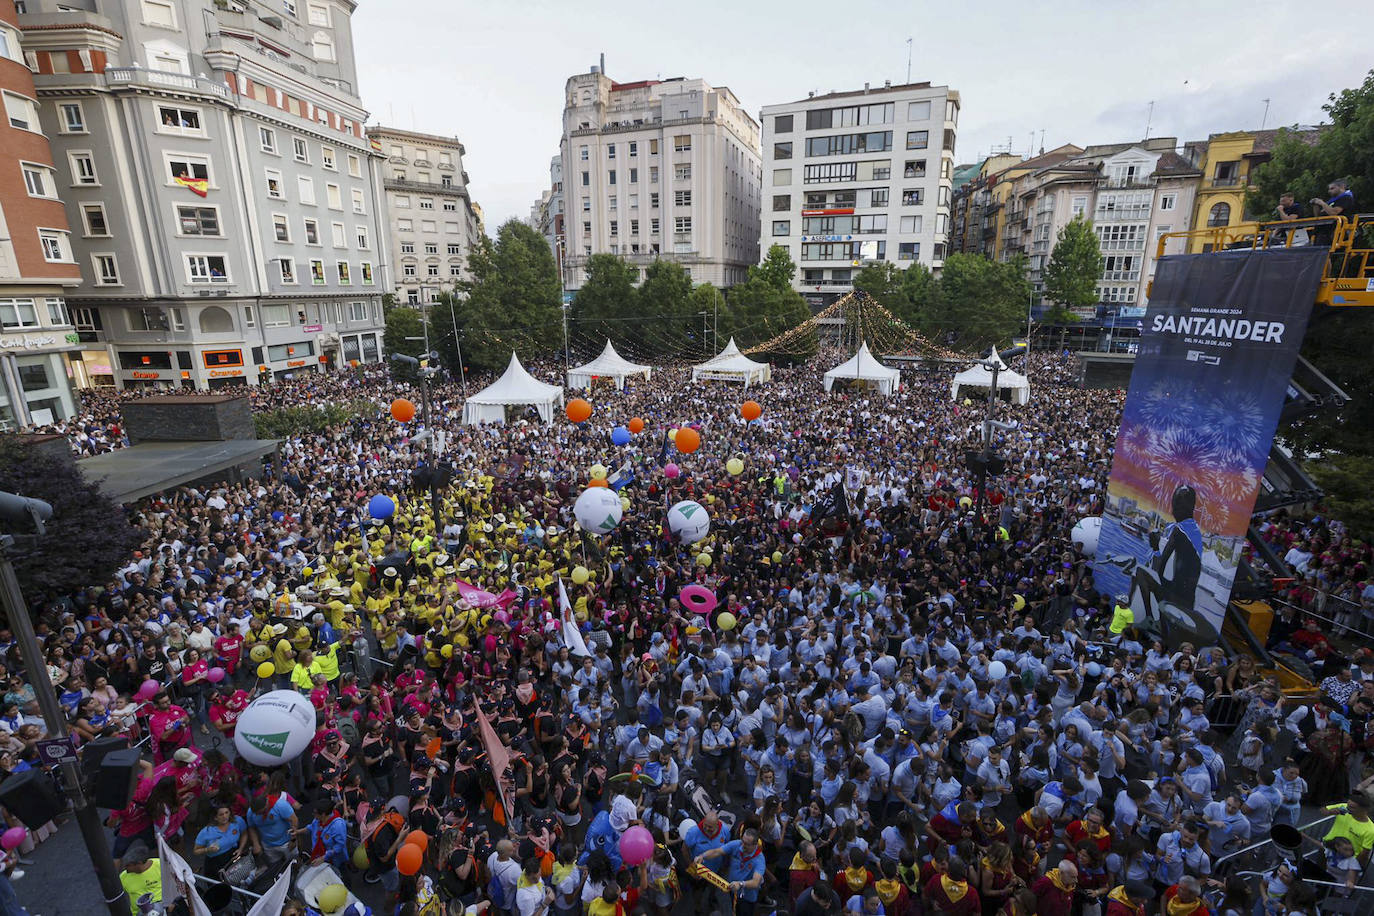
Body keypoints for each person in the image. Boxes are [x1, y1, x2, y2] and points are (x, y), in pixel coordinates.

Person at [118, 843, 161, 915]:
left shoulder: (160, 865)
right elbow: (116, 897)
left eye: (128, 865)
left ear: (139, 863)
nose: (124, 868)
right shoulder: (123, 876)